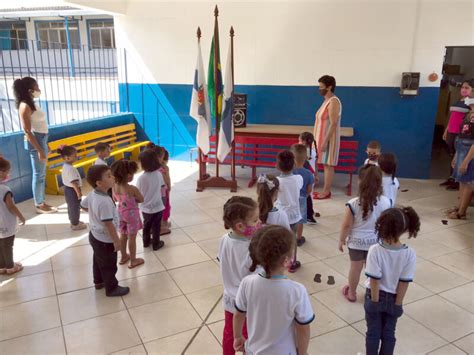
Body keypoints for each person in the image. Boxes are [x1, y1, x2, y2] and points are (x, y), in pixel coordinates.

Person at [233, 225, 315, 355]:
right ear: (286, 261)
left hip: (253, 351)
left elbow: (238, 314)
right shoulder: (297, 291)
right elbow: (303, 328)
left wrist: (237, 336)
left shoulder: (247, 283)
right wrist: (303, 352)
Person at [365, 207, 420, 355]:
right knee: (389, 334)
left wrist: (375, 303)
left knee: (373, 333)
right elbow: (404, 282)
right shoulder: (409, 254)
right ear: (404, 229)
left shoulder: (375, 250)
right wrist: (398, 304)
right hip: (394, 297)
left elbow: (375, 280)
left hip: (375, 296)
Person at [338, 165, 392, 302]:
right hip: (376, 243)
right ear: (380, 183)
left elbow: (346, 225)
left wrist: (341, 239)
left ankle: (351, 292)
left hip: (356, 242)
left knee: (355, 268)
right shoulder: (387, 202)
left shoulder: (353, 203)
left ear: (359, 182)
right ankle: (372, 292)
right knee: (373, 270)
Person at [219, 196, 260, 355]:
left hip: (229, 298)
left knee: (230, 333)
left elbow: (221, 261)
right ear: (240, 226)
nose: (259, 223)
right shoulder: (253, 246)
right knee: (248, 335)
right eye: (255, 220)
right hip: (247, 301)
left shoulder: (223, 240)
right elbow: (258, 274)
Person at [81, 165, 130, 297]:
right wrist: (117, 241)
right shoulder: (104, 202)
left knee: (98, 259)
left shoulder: (93, 194)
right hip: (106, 240)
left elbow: (83, 205)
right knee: (109, 265)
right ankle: (112, 288)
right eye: (108, 176)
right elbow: (108, 225)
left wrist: (94, 215)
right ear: (99, 183)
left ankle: (98, 282)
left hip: (95, 235)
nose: (113, 177)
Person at [13, 77, 57, 214]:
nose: (39, 89)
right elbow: (27, 130)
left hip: (42, 138)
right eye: (36, 86)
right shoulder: (24, 106)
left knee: (41, 174)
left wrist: (46, 144)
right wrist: (39, 150)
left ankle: (41, 201)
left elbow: (41, 125)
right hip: (36, 140)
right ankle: (39, 204)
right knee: (39, 175)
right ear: (30, 90)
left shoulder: (32, 103)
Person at [111, 159, 145, 269]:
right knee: (132, 237)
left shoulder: (114, 186)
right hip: (131, 215)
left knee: (123, 235)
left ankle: (124, 256)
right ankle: (133, 260)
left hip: (120, 212)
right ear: (128, 175)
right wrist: (134, 198)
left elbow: (115, 199)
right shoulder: (132, 189)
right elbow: (141, 199)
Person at [313, 75, 342, 200]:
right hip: (320, 138)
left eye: (321, 87)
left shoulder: (334, 101)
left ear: (329, 87)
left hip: (329, 139)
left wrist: (325, 141)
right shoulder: (325, 101)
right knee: (321, 163)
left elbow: (333, 123)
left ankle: (326, 191)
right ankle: (320, 187)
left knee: (328, 165)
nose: (319, 89)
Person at [441, 80, 473, 190]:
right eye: (462, 87)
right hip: (452, 131)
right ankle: (451, 177)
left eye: (467, 88)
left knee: (459, 157)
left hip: (461, 134)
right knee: (452, 156)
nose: (463, 90)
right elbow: (452, 117)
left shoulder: (471, 105)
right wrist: (446, 130)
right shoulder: (459, 101)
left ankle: (456, 181)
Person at [275, 150, 303, 273]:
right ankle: (292, 262)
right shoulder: (298, 178)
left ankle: (278, 261)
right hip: (294, 215)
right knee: (292, 239)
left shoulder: (276, 181)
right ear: (294, 164)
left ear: (277, 165)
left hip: (280, 215)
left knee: (280, 239)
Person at [448, 96, 474, 220]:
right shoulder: (469, 114)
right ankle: (459, 206)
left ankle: (462, 212)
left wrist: (466, 161)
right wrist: (456, 156)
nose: (467, 99)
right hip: (461, 147)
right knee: (461, 180)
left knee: (468, 182)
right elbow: (462, 135)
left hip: (469, 151)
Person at [0, 158, 26, 275]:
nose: (8, 174)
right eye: (7, 171)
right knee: (8, 245)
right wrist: (21, 217)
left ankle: (2, 266)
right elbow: (11, 206)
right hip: (7, 223)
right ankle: (10, 266)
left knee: (1, 245)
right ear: (1, 172)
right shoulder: (5, 189)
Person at [136, 149, 165, 250]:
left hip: (146, 208)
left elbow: (138, 193)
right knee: (156, 226)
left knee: (147, 225)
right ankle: (156, 243)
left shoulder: (141, 178)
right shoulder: (159, 174)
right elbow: (162, 188)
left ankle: (146, 242)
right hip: (158, 206)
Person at [291, 144, 315, 247]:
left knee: (291, 217)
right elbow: (310, 189)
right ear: (305, 158)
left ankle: (289, 236)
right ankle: (299, 238)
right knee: (300, 219)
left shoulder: (290, 172)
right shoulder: (308, 173)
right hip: (302, 198)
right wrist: (305, 195)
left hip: (291, 198)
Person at [58, 145, 87, 231]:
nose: (76, 157)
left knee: (71, 206)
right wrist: (78, 192)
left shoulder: (65, 166)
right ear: (67, 158)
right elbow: (73, 183)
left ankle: (73, 221)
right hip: (72, 190)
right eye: (74, 155)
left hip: (68, 189)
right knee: (75, 206)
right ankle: (75, 224)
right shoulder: (70, 169)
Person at [298, 132, 318, 224]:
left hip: (304, 177)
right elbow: (315, 165)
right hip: (311, 176)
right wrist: (316, 175)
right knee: (309, 195)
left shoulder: (302, 152)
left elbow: (303, 166)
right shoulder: (313, 151)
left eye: (299, 140)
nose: (298, 142)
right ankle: (309, 213)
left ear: (304, 142)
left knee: (304, 196)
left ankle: (308, 215)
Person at [159, 148, 172, 235]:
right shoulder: (164, 168)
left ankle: (162, 223)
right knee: (165, 206)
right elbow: (167, 180)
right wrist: (169, 187)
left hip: (159, 191)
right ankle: (163, 224)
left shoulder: (154, 169)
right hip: (164, 191)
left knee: (162, 206)